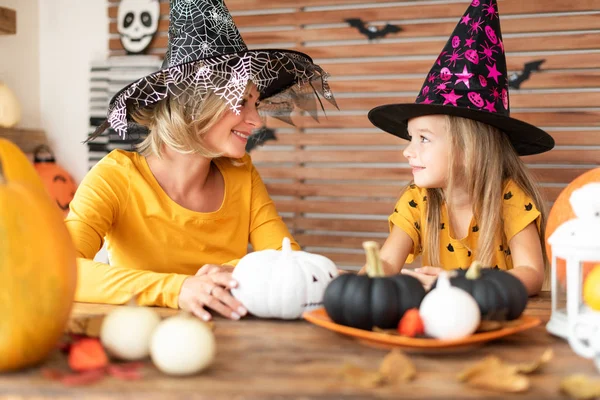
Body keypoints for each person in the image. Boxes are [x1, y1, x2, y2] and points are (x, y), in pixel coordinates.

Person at [67, 0, 336, 321]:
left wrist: (231, 272)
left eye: (256, 103)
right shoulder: (115, 177)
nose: (257, 121)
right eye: (241, 101)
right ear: (193, 105)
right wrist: (180, 289)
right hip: (141, 342)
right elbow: (63, 268)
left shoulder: (242, 175)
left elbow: (288, 261)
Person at [361, 0, 554, 296]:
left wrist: (462, 284)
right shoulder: (418, 200)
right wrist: (359, 286)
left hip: (496, 319)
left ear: (470, 149)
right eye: (410, 138)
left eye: (423, 138)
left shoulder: (509, 198)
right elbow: (386, 260)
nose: (408, 151)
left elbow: (531, 273)